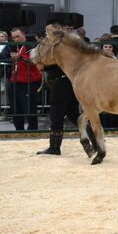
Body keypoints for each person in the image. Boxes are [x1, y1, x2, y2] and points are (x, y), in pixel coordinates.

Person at [36, 21, 97, 155]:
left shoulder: (61, 45)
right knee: (73, 114)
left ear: (58, 29)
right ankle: (95, 141)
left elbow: (59, 63)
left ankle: (54, 147)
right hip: (69, 82)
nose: (47, 33)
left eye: (49, 30)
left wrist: (44, 66)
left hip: (61, 83)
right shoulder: (69, 42)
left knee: (56, 115)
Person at [9, 27, 42, 130]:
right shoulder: (15, 47)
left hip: (28, 83)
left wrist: (21, 58)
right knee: (15, 109)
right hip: (15, 82)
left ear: (24, 35)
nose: (16, 39)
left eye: (18, 36)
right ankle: (19, 130)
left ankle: (32, 131)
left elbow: (34, 61)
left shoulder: (31, 46)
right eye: (14, 37)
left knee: (29, 109)